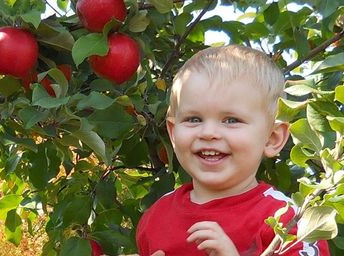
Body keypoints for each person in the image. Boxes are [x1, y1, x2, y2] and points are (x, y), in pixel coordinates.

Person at [136, 45, 330, 256]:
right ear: (173, 133)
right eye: (194, 119)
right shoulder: (157, 217)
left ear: (272, 138)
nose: (208, 132)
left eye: (231, 120)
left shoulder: (288, 222)